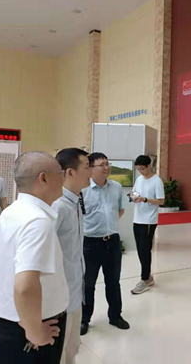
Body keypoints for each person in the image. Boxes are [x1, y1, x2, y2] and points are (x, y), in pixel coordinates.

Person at [0, 151, 69, 364]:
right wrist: (34, 332)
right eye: (60, 173)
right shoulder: (37, 221)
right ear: (44, 178)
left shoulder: (13, 211)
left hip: (9, 325)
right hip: (29, 333)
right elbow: (25, 285)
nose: (64, 178)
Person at [80, 152, 129, 336]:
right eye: (102, 165)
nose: (107, 167)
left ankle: (115, 316)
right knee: (88, 284)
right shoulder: (83, 190)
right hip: (90, 243)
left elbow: (120, 209)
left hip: (112, 242)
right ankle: (84, 319)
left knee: (113, 282)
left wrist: (109, 226)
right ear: (91, 168)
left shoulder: (116, 187)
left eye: (108, 164)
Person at [52, 149, 91, 364]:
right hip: (58, 298)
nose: (91, 171)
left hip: (75, 291)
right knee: (58, 353)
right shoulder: (57, 206)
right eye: (87, 167)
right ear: (70, 172)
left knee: (71, 349)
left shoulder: (75, 201)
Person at [130, 155, 165, 295]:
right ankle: (148, 277)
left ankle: (144, 280)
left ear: (149, 166)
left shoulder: (156, 181)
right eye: (138, 169)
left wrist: (145, 199)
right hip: (137, 219)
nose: (140, 171)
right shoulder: (139, 179)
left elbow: (161, 201)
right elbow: (134, 192)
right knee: (140, 249)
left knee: (145, 250)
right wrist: (132, 197)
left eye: (142, 168)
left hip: (149, 221)